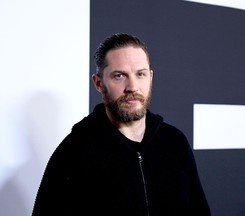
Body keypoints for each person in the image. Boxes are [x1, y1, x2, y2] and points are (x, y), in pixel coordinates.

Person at [32, 33, 210, 215]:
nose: (132, 86)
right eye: (119, 76)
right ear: (99, 83)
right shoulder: (74, 151)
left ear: (150, 77)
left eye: (140, 74)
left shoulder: (175, 142)